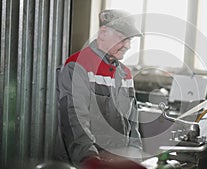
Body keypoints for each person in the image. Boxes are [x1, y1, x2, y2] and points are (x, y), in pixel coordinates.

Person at [55, 9, 145, 169]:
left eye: (130, 40)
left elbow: (133, 122)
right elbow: (74, 119)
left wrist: (134, 155)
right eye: (123, 39)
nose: (128, 46)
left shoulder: (126, 74)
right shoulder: (77, 66)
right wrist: (89, 160)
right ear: (103, 33)